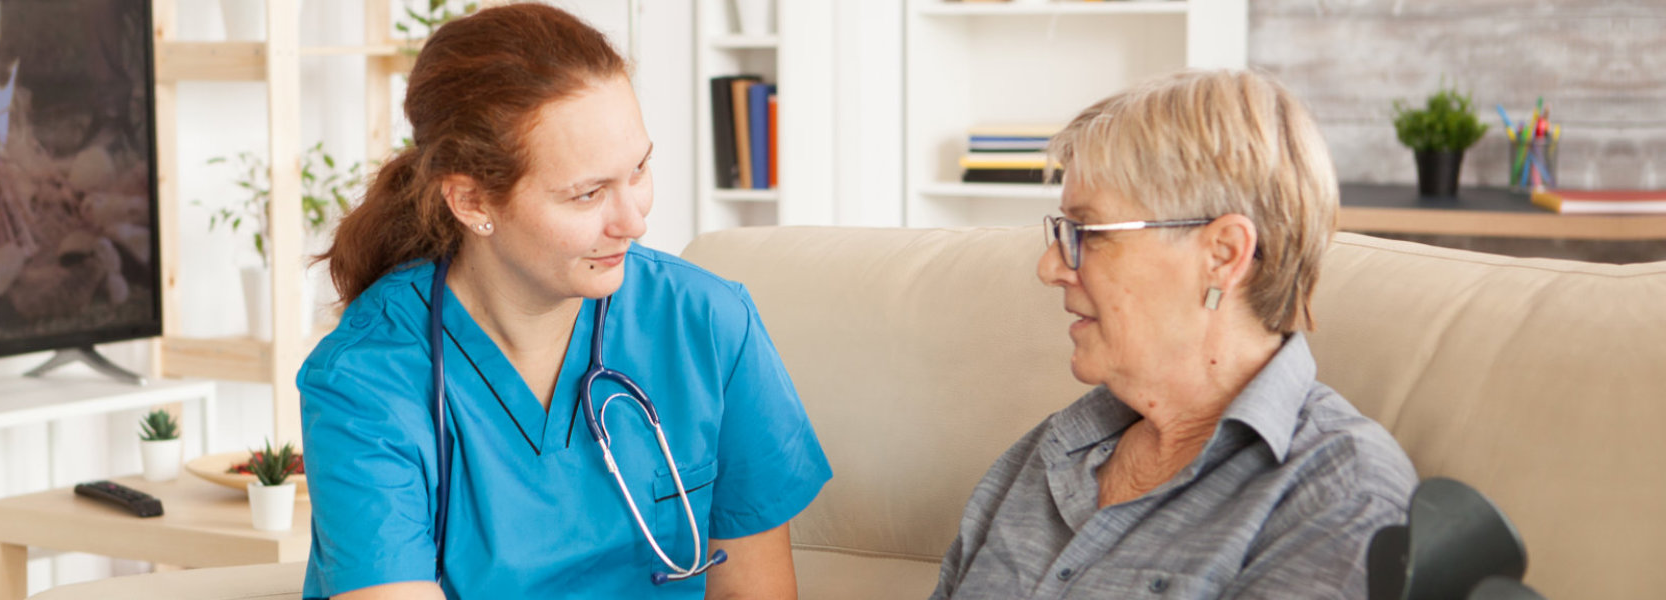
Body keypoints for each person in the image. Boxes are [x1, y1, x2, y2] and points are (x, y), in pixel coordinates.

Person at [298, 5, 830, 599]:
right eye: (587, 194)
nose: (633, 222)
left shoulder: (706, 325)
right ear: (472, 202)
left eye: (639, 170)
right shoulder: (367, 380)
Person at [930, 70, 1418, 599]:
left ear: (1223, 254)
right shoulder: (1051, 452)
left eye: (1087, 234)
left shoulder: (1340, 495)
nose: (1050, 267)